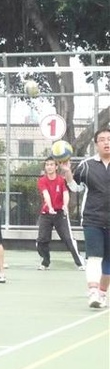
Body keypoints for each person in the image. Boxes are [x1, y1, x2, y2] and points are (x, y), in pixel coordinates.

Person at [61, 127, 110, 309]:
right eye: (102, 139)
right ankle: (93, 292)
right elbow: (75, 188)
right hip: (92, 219)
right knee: (94, 258)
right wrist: (67, 172)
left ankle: (102, 293)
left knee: (108, 262)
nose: (106, 142)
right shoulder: (87, 165)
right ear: (96, 144)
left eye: (109, 139)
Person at [36, 156, 84, 271]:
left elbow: (65, 194)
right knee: (42, 240)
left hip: (60, 214)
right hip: (46, 214)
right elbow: (46, 194)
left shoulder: (61, 180)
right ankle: (45, 262)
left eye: (51, 164)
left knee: (68, 238)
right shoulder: (42, 180)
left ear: (56, 167)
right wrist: (50, 207)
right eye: (47, 165)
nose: (49, 167)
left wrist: (65, 206)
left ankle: (80, 263)